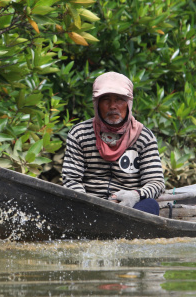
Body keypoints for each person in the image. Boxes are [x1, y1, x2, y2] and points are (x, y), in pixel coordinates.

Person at [62, 71, 165, 215]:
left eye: (119, 100)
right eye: (106, 100)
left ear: (128, 103)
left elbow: (156, 183)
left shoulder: (144, 136)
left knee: (150, 205)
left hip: (129, 208)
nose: (112, 106)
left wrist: (135, 195)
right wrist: (88, 204)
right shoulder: (79, 133)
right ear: (97, 104)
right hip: (87, 207)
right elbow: (71, 180)